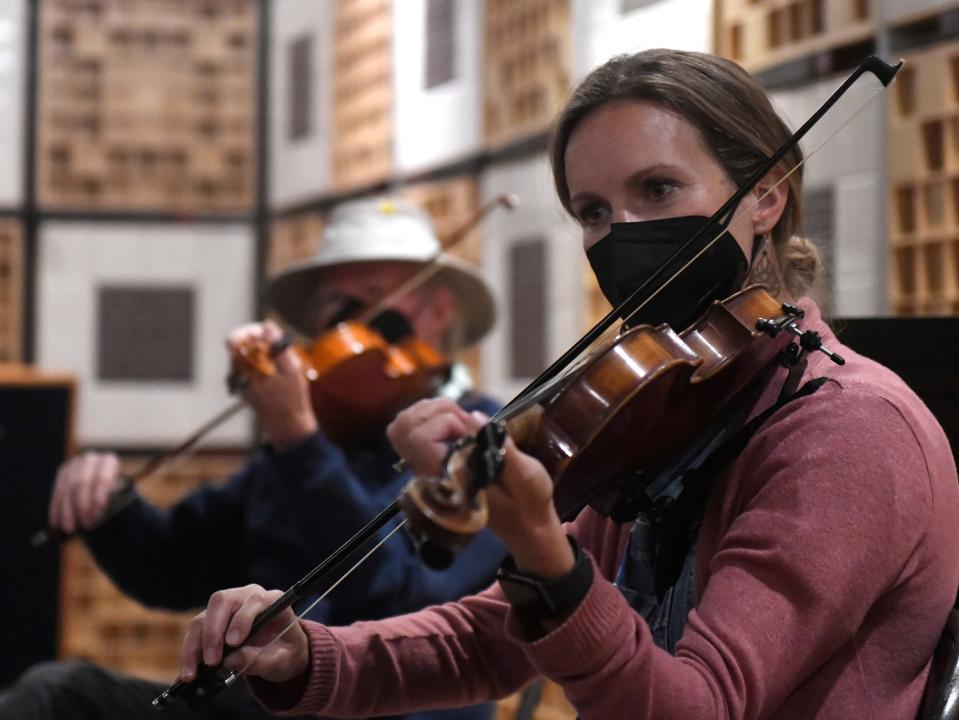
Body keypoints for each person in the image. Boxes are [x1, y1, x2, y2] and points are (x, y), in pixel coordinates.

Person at [178, 50, 959, 720]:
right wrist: (305, 654)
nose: (618, 236)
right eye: (591, 211)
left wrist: (549, 561)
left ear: (765, 194)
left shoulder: (847, 432)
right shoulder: (670, 407)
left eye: (656, 190)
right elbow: (491, 637)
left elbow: (698, 705)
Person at [1, 198, 504, 720]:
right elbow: (174, 566)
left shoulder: (477, 438)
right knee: (58, 696)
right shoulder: (309, 442)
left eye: (375, 301)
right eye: (336, 304)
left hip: (385, 712)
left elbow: (398, 599)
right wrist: (109, 506)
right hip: (262, 705)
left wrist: (300, 441)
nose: (350, 327)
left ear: (440, 312)